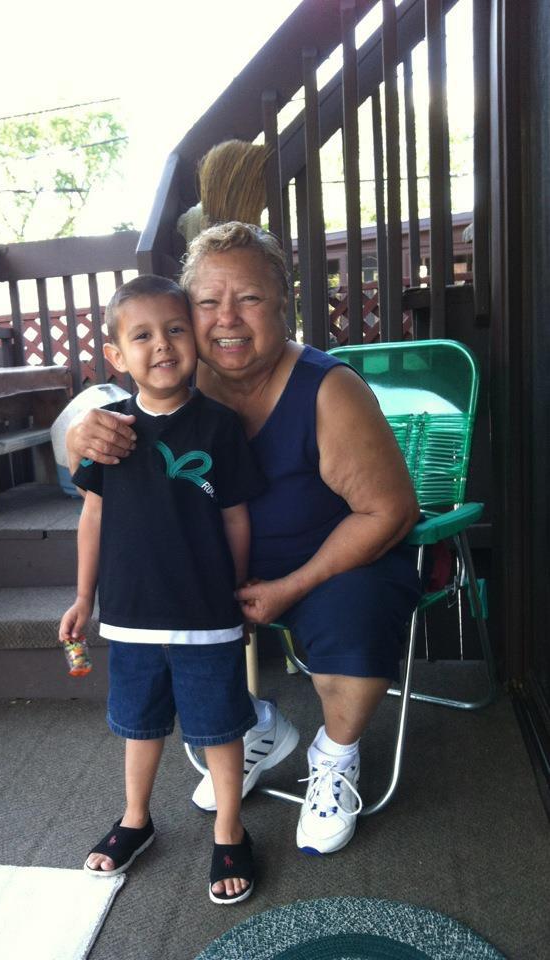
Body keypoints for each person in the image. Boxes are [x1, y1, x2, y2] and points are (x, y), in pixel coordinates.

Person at [65, 222, 422, 858]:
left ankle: (335, 756)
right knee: (161, 647)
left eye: (250, 299)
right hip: (212, 574)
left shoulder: (327, 390)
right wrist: (78, 435)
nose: (227, 318)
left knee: (356, 616)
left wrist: (293, 586)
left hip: (330, 566)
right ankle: (256, 725)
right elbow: (105, 436)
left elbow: (389, 512)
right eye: (207, 303)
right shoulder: (178, 381)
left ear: (284, 305)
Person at [59, 274, 266, 904]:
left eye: (176, 329)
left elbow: (235, 515)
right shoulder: (109, 431)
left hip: (207, 616)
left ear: (196, 342)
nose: (163, 345)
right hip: (130, 618)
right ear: (118, 358)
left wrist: (236, 590)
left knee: (220, 729)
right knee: (139, 726)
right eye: (142, 335)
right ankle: (135, 820)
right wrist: (82, 598)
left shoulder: (220, 427)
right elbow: (90, 517)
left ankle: (231, 831)